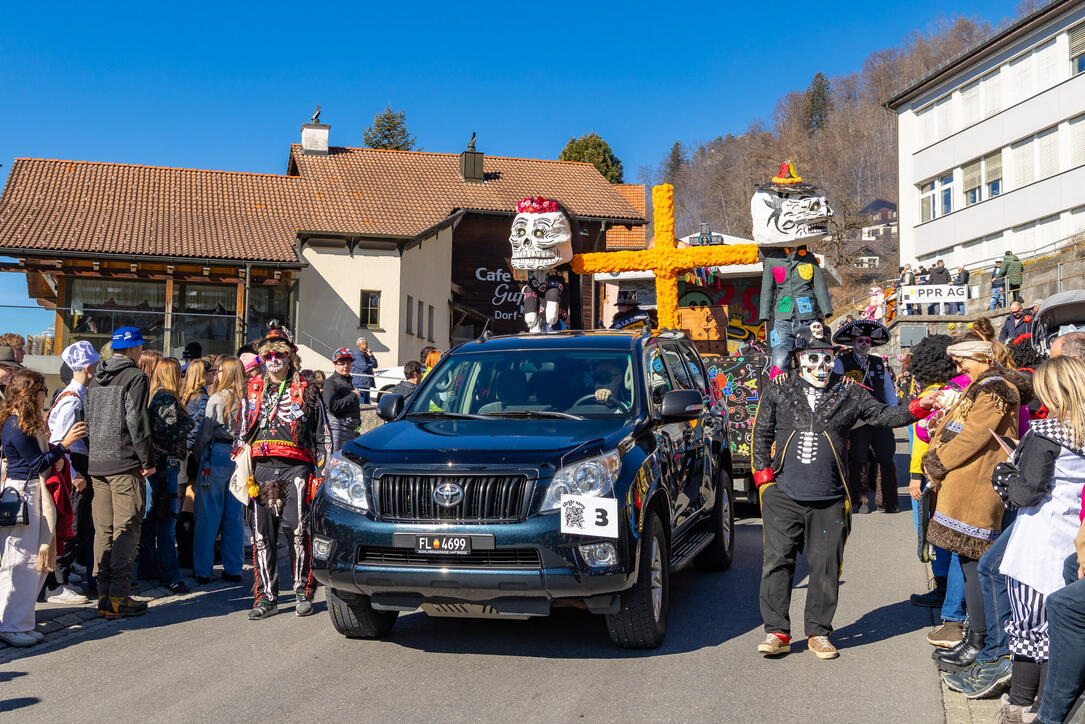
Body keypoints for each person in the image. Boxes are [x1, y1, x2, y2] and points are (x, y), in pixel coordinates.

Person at [753, 328, 939, 660]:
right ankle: (777, 631)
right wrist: (764, 480)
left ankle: (818, 632)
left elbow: (883, 415)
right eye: (813, 357)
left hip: (830, 496)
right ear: (800, 359)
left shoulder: (849, 391)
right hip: (783, 494)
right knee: (777, 562)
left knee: (826, 566)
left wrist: (918, 407)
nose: (821, 365)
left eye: (827, 358)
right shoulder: (780, 388)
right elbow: (762, 430)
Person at [924, 340, 1031, 674]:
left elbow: (974, 435)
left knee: (975, 564)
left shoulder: (996, 388)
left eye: (963, 362)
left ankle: (981, 641)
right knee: (968, 561)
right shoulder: (987, 385)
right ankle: (976, 636)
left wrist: (937, 460)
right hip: (967, 483)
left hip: (977, 487)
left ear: (983, 358)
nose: (959, 369)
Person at [989, 356, 1085, 721]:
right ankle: (1044, 705)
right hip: (1071, 539)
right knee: (1057, 633)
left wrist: (1004, 475)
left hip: (1037, 542)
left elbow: (1026, 493)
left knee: (1028, 628)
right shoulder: (1079, 432)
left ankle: (1022, 703)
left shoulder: (1046, 434)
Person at [238, 325, 330, 620]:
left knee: (297, 530)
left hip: (296, 468)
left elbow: (323, 434)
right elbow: (241, 431)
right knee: (262, 536)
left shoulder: (307, 389)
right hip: (261, 469)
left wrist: (322, 471)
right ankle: (267, 597)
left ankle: (302, 591)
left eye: (279, 355)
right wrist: (239, 463)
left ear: (290, 357)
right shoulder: (252, 389)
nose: (274, 360)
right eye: (268, 356)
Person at [0, 370, 87, 646]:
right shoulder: (15, 424)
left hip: (32, 492)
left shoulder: (24, 422)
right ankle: (10, 625)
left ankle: (22, 623)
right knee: (20, 562)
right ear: (31, 394)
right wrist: (64, 446)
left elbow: (40, 458)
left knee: (34, 563)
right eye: (43, 391)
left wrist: (56, 454)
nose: (45, 396)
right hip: (22, 494)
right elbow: (37, 463)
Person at [85, 326, 156, 619]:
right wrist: (147, 460)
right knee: (127, 528)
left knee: (104, 530)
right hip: (124, 462)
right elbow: (137, 421)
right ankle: (118, 596)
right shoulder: (135, 376)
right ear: (134, 349)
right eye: (140, 348)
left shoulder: (95, 379)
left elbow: (87, 421)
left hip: (97, 463)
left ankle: (104, 595)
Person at [904, 336, 968, 648]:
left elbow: (920, 440)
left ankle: (943, 591)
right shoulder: (959, 389)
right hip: (949, 474)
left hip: (933, 475)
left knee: (935, 534)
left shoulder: (933, 396)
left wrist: (915, 475)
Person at [43, 341, 100, 604]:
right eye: (96, 365)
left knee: (77, 524)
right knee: (72, 524)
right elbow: (59, 442)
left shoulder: (76, 395)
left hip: (74, 462)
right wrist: (74, 473)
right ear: (88, 367)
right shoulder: (72, 400)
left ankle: (61, 576)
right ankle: (56, 583)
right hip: (71, 464)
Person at [831, 320, 900, 513]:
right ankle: (860, 500)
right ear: (853, 342)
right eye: (860, 340)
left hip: (880, 416)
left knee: (886, 456)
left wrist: (892, 412)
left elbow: (888, 389)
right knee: (858, 457)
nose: (864, 344)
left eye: (867, 341)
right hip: (857, 419)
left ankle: (888, 500)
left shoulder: (878, 363)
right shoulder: (841, 362)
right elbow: (836, 389)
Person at [139, 358, 192, 595]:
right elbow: (165, 430)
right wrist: (188, 423)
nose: (181, 378)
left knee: (152, 517)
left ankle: (149, 566)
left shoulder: (155, 395)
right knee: (166, 519)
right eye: (179, 374)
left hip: (159, 463)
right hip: (165, 463)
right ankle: (169, 573)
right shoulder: (166, 397)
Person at [193, 356, 244, 585]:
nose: (217, 374)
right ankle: (233, 568)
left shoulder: (217, 398)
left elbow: (205, 433)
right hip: (239, 456)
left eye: (220, 371)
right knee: (234, 515)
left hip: (216, 453)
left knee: (208, 514)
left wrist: (197, 454)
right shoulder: (247, 399)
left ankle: (203, 570)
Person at [177, 359, 212, 569]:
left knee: (182, 502)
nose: (214, 374)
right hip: (191, 455)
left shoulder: (185, 395)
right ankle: (186, 555)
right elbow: (199, 430)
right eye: (210, 371)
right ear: (203, 375)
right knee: (189, 504)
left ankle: (183, 554)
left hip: (183, 453)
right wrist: (196, 450)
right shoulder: (202, 398)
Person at [324, 348, 361, 453]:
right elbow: (333, 407)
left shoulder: (349, 381)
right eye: (342, 363)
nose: (346, 366)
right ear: (335, 364)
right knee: (336, 459)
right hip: (338, 429)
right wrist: (353, 395)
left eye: (349, 363)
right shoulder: (331, 383)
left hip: (353, 428)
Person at [351, 337, 378, 403]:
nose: (367, 345)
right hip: (360, 384)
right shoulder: (357, 354)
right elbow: (364, 367)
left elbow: (375, 365)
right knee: (361, 404)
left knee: (367, 405)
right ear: (359, 345)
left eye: (367, 343)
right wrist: (371, 365)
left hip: (366, 383)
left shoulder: (366, 353)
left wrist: (371, 355)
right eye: (365, 343)